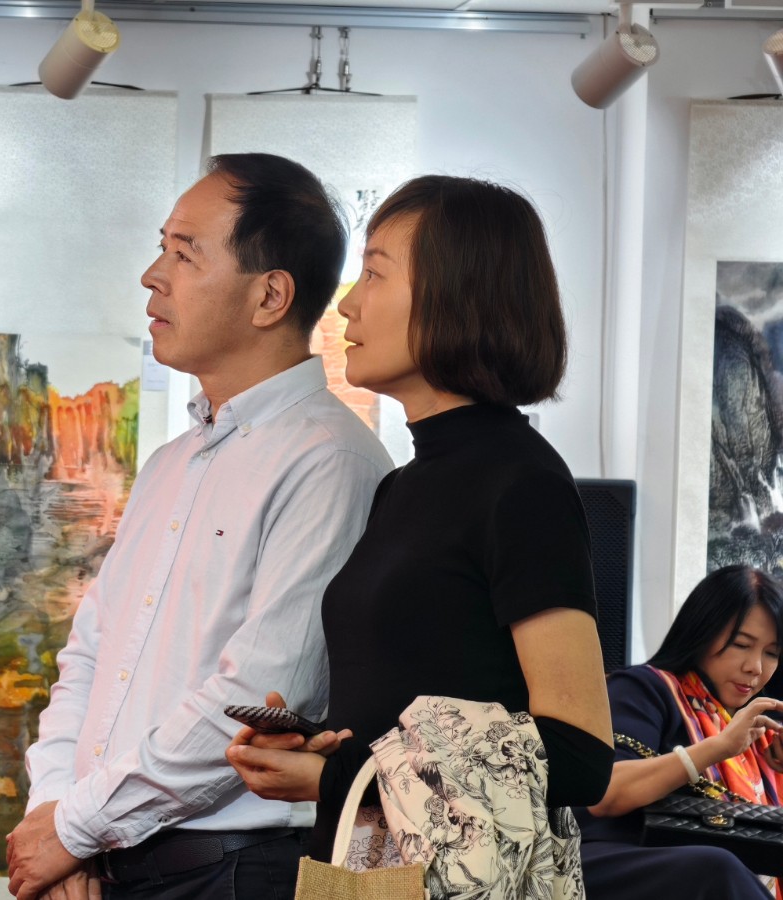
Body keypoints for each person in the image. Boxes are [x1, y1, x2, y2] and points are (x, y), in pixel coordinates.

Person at [3, 154, 394, 900]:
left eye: (185, 254)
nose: (153, 276)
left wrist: (75, 829)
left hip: (230, 872)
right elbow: (88, 656)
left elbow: (258, 695)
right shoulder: (171, 463)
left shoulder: (331, 460)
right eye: (163, 249)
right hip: (113, 855)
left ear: (269, 295)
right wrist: (55, 811)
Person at [225, 175, 615, 867]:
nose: (348, 304)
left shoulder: (522, 482)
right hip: (361, 865)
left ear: (459, 293)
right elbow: (412, 706)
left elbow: (580, 755)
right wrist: (319, 747)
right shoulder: (400, 485)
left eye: (374, 273)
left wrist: (338, 779)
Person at [577, 565, 783, 899]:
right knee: (716, 866)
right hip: (612, 864)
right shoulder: (644, 689)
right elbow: (606, 794)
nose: (755, 667)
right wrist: (718, 747)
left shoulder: (757, 731)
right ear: (702, 631)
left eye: (772, 653)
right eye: (741, 644)